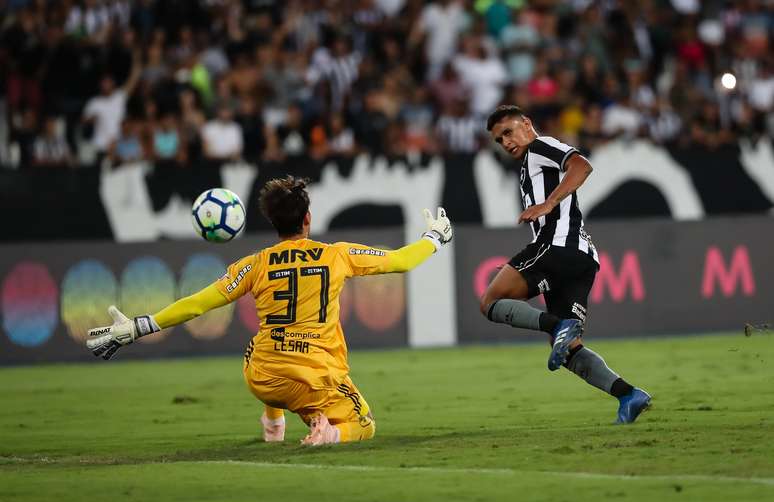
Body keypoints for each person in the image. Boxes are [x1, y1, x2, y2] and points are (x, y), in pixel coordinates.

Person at [85, 176, 453, 445]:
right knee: (364, 425)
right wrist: (434, 237)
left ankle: (274, 425)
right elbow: (401, 261)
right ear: (307, 218)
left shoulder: (254, 265)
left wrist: (138, 327)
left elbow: (197, 304)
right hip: (313, 379)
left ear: (274, 223)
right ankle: (327, 434)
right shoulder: (336, 254)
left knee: (256, 346)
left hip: (263, 378)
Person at [482, 105, 651, 424]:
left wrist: (548, 203)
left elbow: (581, 166)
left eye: (508, 132)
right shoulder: (528, 164)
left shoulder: (539, 146)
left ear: (526, 124)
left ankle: (557, 325)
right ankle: (628, 395)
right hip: (581, 259)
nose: (505, 142)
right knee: (569, 350)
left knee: (490, 301)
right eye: (498, 140)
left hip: (555, 246)